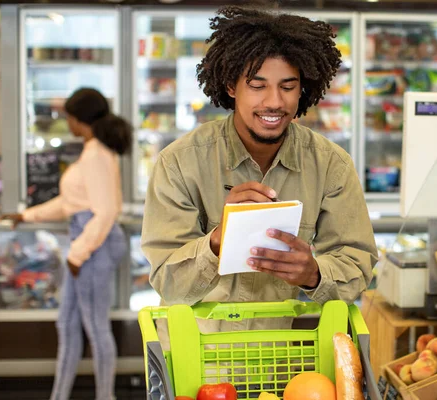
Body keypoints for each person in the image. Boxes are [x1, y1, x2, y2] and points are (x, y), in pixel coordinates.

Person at [141, 6, 378, 333]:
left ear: (303, 89)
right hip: (186, 362)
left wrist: (314, 273)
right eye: (257, 85)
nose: (274, 102)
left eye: (287, 86)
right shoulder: (179, 162)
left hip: (273, 364)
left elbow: (358, 266)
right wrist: (216, 241)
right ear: (231, 86)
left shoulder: (331, 165)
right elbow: (167, 282)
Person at [2, 88, 132, 400]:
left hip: (91, 248)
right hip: (86, 247)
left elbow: (105, 212)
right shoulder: (93, 152)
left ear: (78, 120)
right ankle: (60, 394)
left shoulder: (97, 155)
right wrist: (27, 215)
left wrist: (77, 254)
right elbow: (71, 203)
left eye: (68, 117)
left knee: (94, 327)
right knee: (68, 323)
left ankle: (105, 396)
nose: (67, 122)